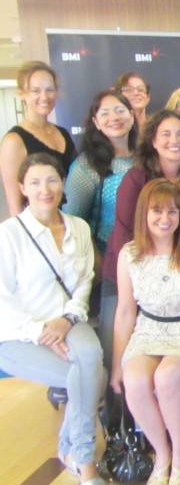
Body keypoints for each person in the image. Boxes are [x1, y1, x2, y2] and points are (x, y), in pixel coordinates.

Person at [0, 153, 104, 485]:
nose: (45, 189)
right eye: (35, 182)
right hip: (19, 333)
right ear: (22, 188)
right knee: (84, 375)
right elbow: (3, 298)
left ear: (63, 183)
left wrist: (67, 320)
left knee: (92, 360)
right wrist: (42, 332)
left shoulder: (79, 227)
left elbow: (85, 280)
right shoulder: (9, 234)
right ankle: (84, 460)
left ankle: (71, 448)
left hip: (70, 320)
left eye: (52, 180)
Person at [111, 179, 180, 485]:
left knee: (166, 377)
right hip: (147, 331)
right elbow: (125, 311)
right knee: (134, 381)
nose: (165, 218)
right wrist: (117, 363)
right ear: (143, 215)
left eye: (172, 211)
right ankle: (162, 453)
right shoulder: (129, 254)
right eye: (157, 211)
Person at [100, 110, 180, 390]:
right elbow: (126, 234)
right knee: (119, 352)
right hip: (128, 273)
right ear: (154, 142)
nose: (174, 140)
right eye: (166, 134)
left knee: (167, 367)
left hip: (173, 272)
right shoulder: (136, 179)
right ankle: (119, 423)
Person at [64, 91, 137, 258]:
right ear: (96, 122)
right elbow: (72, 223)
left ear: (131, 116)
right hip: (106, 262)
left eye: (120, 110)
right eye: (105, 113)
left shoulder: (148, 158)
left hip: (148, 260)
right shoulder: (86, 166)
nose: (114, 117)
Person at [1, 61, 77, 216]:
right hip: (38, 227)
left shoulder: (62, 133)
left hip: (70, 222)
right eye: (35, 91)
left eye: (50, 90)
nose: (44, 97)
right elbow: (14, 204)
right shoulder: (14, 140)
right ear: (22, 94)